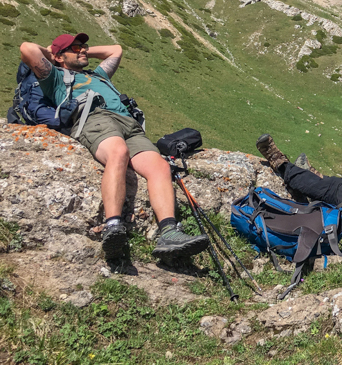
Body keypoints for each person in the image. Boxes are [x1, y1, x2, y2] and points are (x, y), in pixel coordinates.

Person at [19, 33, 209, 262]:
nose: (82, 50)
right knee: (118, 153)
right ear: (58, 56)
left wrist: (79, 51)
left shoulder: (97, 75)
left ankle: (169, 232)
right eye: (76, 48)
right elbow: (27, 49)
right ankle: (113, 226)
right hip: (94, 118)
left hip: (129, 123)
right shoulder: (55, 77)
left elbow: (115, 50)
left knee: (159, 166)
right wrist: (51, 51)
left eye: (83, 46)